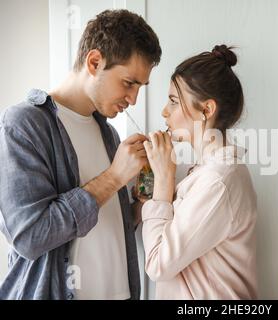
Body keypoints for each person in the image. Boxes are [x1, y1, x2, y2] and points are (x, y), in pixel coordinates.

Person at [0, 9, 161, 300]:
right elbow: (30, 237)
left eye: (140, 87)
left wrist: (138, 205)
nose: (134, 99)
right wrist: (114, 176)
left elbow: (106, 227)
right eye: (129, 83)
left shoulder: (109, 134)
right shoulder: (23, 124)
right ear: (94, 62)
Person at [140, 45, 258, 299]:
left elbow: (158, 264)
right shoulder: (206, 173)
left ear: (206, 110)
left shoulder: (217, 181)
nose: (164, 111)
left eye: (173, 101)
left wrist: (163, 180)